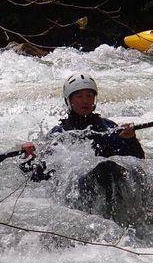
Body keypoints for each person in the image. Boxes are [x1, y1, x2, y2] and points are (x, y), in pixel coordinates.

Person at [20, 73, 146, 220]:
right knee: (103, 168)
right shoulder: (59, 134)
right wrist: (30, 157)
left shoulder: (109, 127)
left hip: (111, 186)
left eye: (89, 95)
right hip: (79, 194)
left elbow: (138, 160)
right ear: (69, 100)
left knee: (107, 167)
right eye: (79, 96)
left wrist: (130, 140)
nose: (85, 101)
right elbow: (38, 177)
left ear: (94, 99)